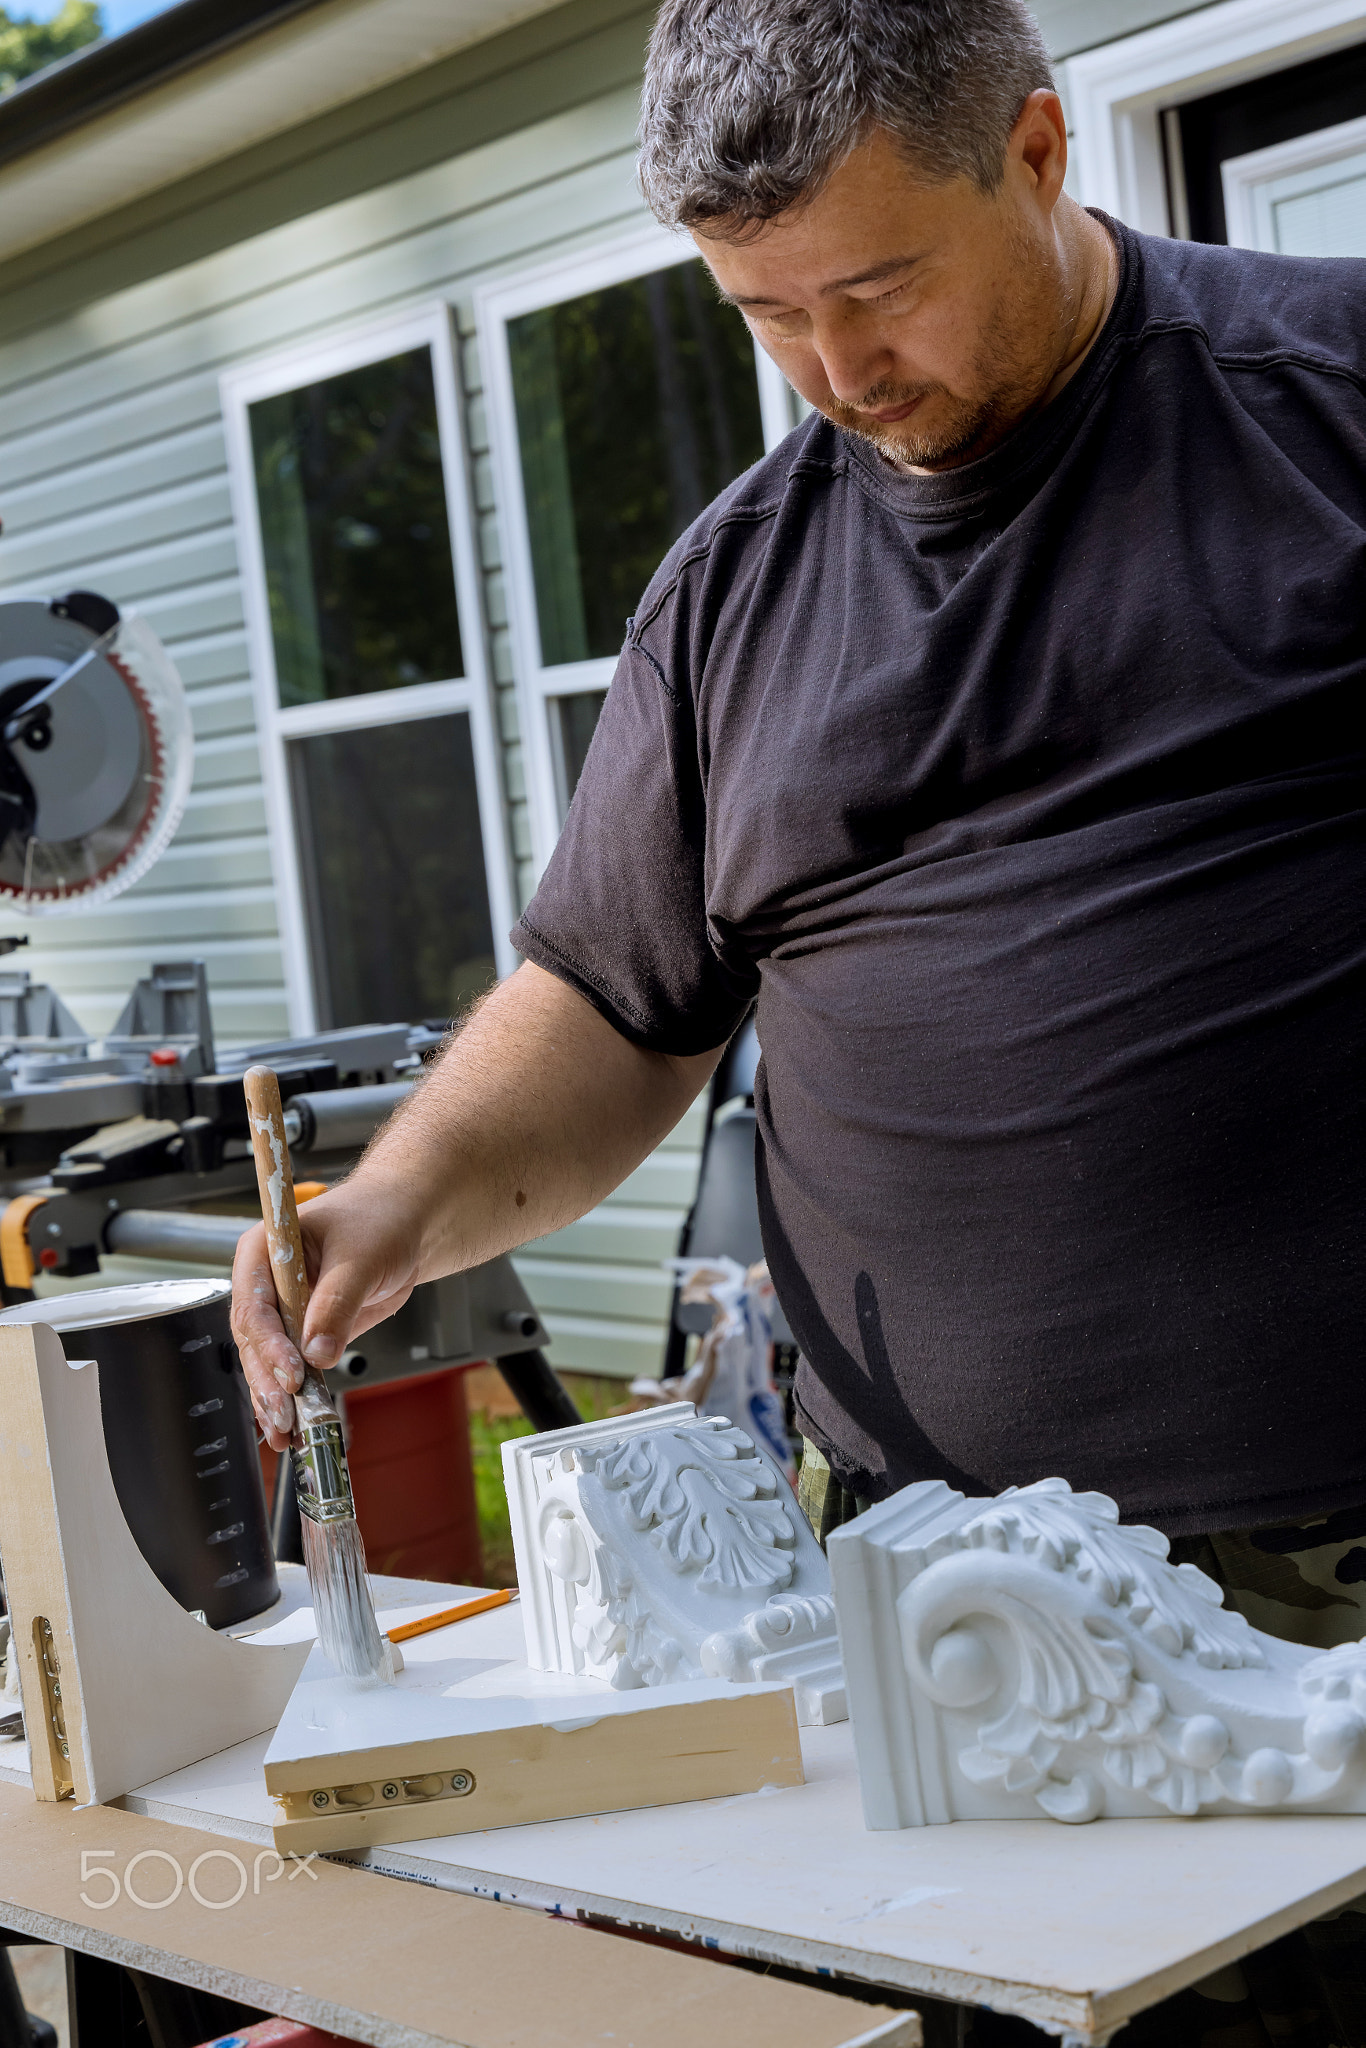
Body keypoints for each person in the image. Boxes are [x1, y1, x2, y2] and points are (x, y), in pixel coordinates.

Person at [233, 7, 1365, 2030]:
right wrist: (390, 1208)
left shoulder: (1324, 402)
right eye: (764, 316)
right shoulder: (730, 598)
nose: (838, 372)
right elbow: (605, 1002)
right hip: (938, 1622)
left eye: (878, 286)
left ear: (1031, 154)